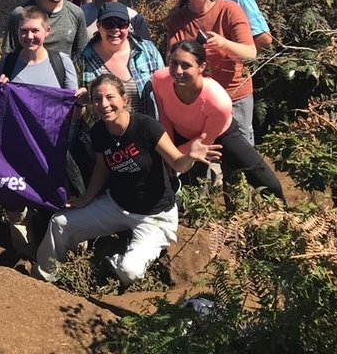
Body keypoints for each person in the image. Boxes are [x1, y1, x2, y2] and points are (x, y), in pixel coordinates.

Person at [35, 74, 221, 286]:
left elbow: (178, 163)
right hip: (117, 205)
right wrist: (86, 198)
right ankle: (42, 278)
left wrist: (190, 157)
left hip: (154, 215)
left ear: (124, 100)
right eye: (97, 99)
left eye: (110, 97)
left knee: (129, 271)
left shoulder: (146, 127)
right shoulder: (99, 132)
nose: (104, 104)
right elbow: (102, 168)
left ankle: (106, 266)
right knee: (59, 223)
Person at [0, 6, 88, 258]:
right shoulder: (8, 62)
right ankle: (26, 256)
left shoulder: (61, 62)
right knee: (17, 208)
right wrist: (0, 90)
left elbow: (74, 112)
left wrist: (80, 103)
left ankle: (70, 256)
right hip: (17, 150)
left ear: (47, 31)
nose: (29, 36)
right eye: (23, 31)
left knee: (62, 201)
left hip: (54, 151)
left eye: (35, 30)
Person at [151, 39, 284, 202]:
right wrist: (170, 152)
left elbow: (205, 140)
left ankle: (284, 212)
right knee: (186, 188)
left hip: (218, 135)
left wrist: (176, 158)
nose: (178, 71)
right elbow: (165, 117)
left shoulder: (218, 101)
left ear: (201, 67)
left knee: (266, 181)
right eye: (173, 63)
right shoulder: (159, 79)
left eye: (186, 65)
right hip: (182, 134)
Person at [166, 0, 258, 145]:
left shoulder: (229, 9)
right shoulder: (177, 19)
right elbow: (171, 59)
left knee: (240, 152)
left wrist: (224, 44)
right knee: (205, 151)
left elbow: (250, 53)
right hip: (198, 97)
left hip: (234, 94)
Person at [75, 2, 164, 117]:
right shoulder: (83, 60)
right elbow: (75, 111)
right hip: (100, 133)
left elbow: (164, 95)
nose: (115, 29)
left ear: (128, 26)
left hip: (144, 132)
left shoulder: (148, 51)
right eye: (109, 24)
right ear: (98, 26)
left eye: (121, 24)